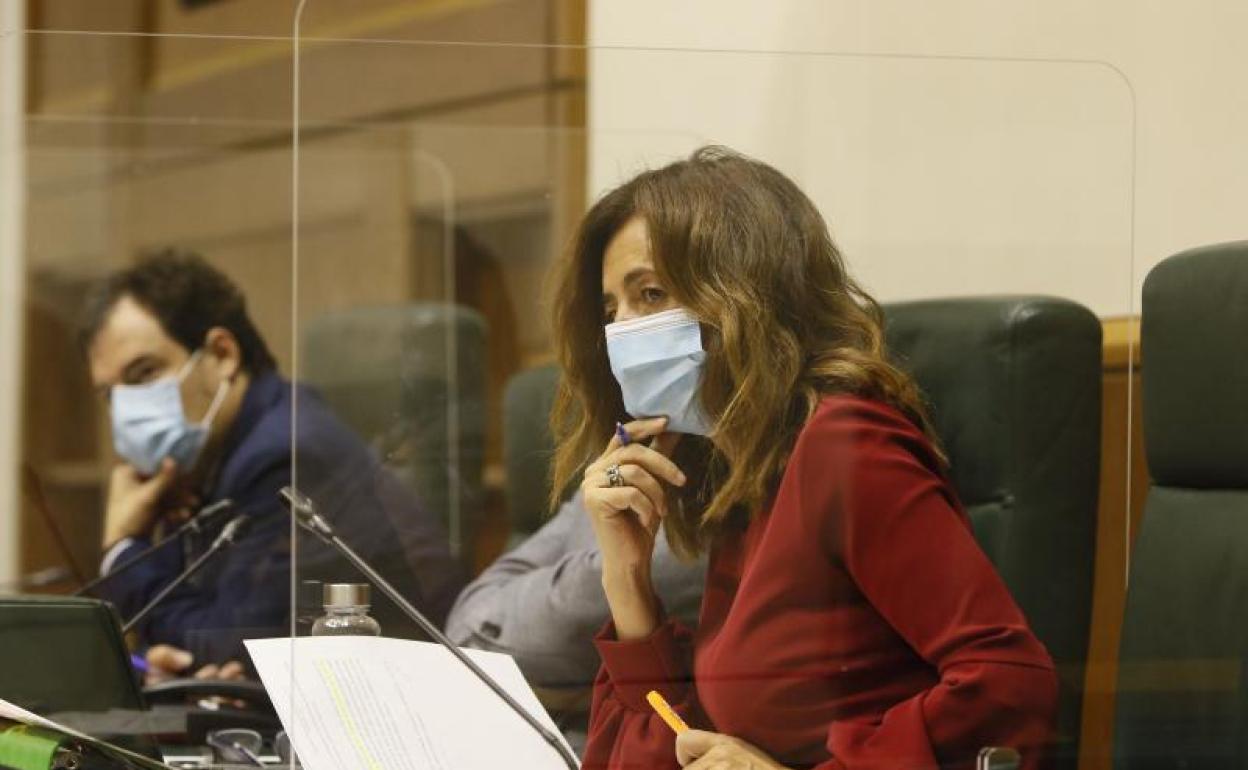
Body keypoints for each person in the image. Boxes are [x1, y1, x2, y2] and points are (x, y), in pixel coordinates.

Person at [548, 147, 1059, 770]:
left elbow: (1010, 685)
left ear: (744, 294)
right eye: (611, 311)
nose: (622, 333)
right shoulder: (742, 473)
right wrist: (627, 579)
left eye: (651, 294)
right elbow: (683, 745)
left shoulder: (843, 444)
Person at [80, 250, 465, 677]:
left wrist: (123, 547)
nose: (125, 407)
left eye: (144, 373)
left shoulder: (290, 455)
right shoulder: (204, 462)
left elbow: (231, 644)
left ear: (222, 354)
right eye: (109, 394)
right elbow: (188, 644)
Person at [445, 491, 705, 751]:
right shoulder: (619, 474)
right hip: (522, 714)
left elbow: (477, 638)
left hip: (600, 740)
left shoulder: (694, 539)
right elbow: (472, 617)